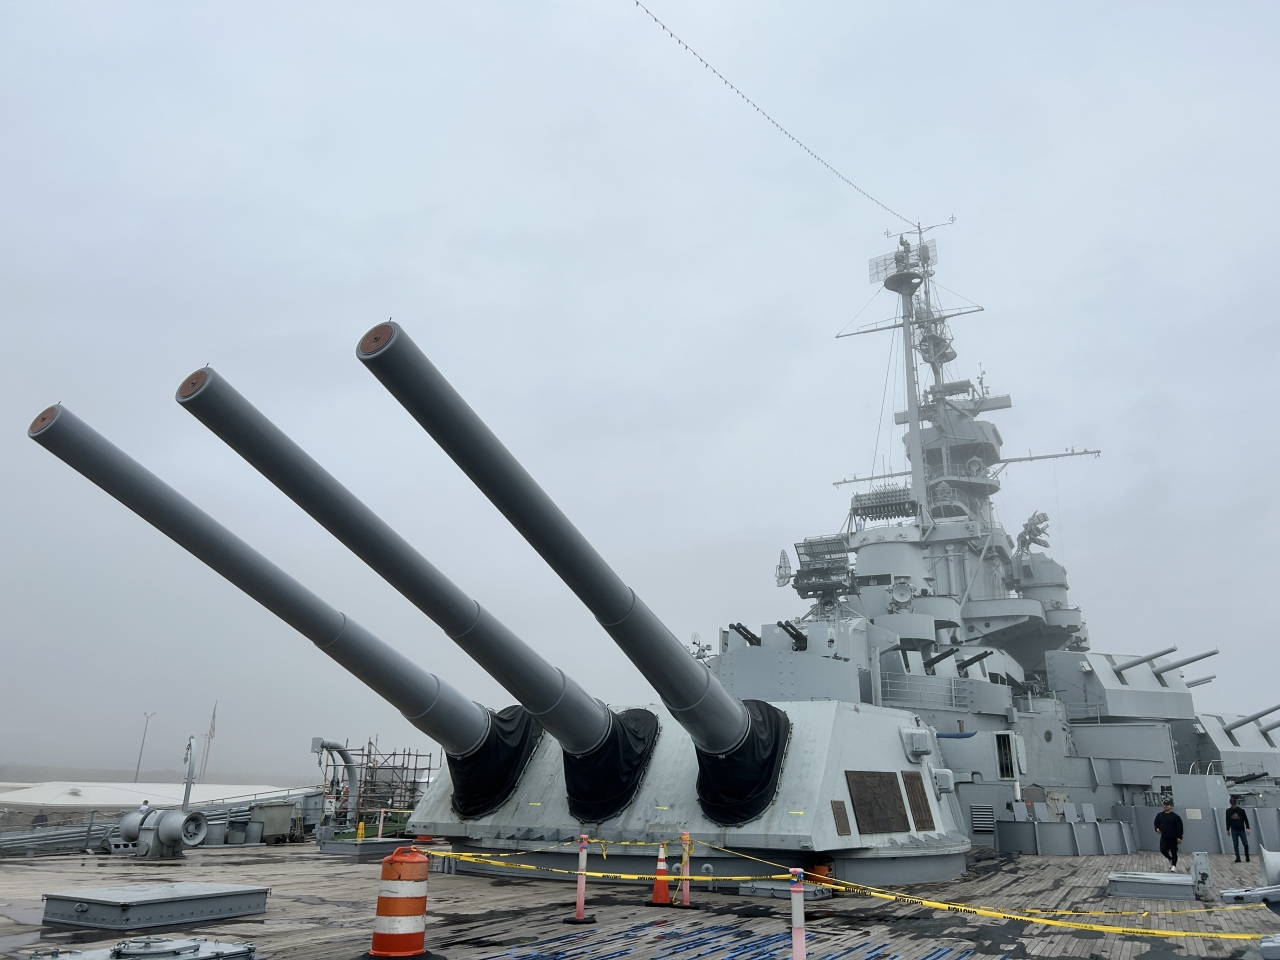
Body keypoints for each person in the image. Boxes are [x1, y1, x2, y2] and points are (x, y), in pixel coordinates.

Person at [1154, 800, 1184, 871]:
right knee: (1162, 849)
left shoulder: (1175, 816)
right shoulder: (1160, 815)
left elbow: (1179, 827)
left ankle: (1174, 865)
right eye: (1165, 805)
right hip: (1164, 836)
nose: (1166, 806)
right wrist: (1157, 829)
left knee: (1174, 851)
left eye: (1167, 805)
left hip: (1174, 837)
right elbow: (1156, 823)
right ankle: (1170, 859)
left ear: (1170, 806)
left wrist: (1179, 837)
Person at [1226, 796, 1251, 863]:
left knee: (1245, 843)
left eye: (1234, 804)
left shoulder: (1241, 811)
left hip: (1241, 829)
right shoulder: (1228, 811)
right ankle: (1238, 858)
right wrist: (1227, 829)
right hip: (1234, 830)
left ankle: (1247, 856)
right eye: (1232, 804)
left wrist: (1247, 828)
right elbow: (1228, 820)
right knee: (1235, 844)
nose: (1233, 805)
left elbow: (1245, 820)